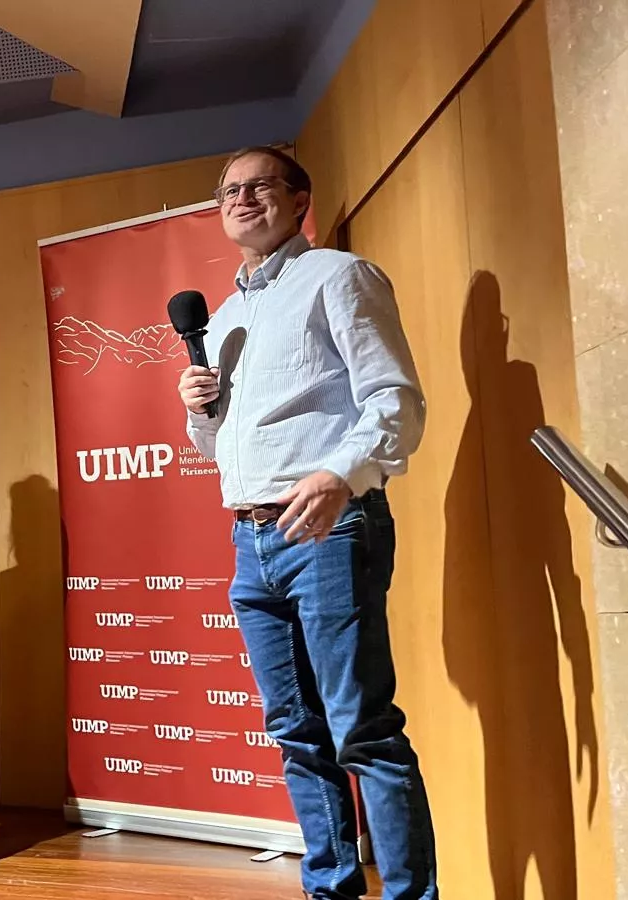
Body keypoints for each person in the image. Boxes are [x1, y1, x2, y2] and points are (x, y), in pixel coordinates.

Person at [176, 147, 439, 899]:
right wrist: (197, 412)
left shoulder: (339, 277)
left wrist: (340, 476)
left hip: (326, 527)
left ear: (300, 200)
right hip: (250, 539)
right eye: (228, 189)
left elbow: (396, 402)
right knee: (296, 732)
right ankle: (332, 887)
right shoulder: (221, 321)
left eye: (259, 185)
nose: (241, 198)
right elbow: (221, 445)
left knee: (362, 729)